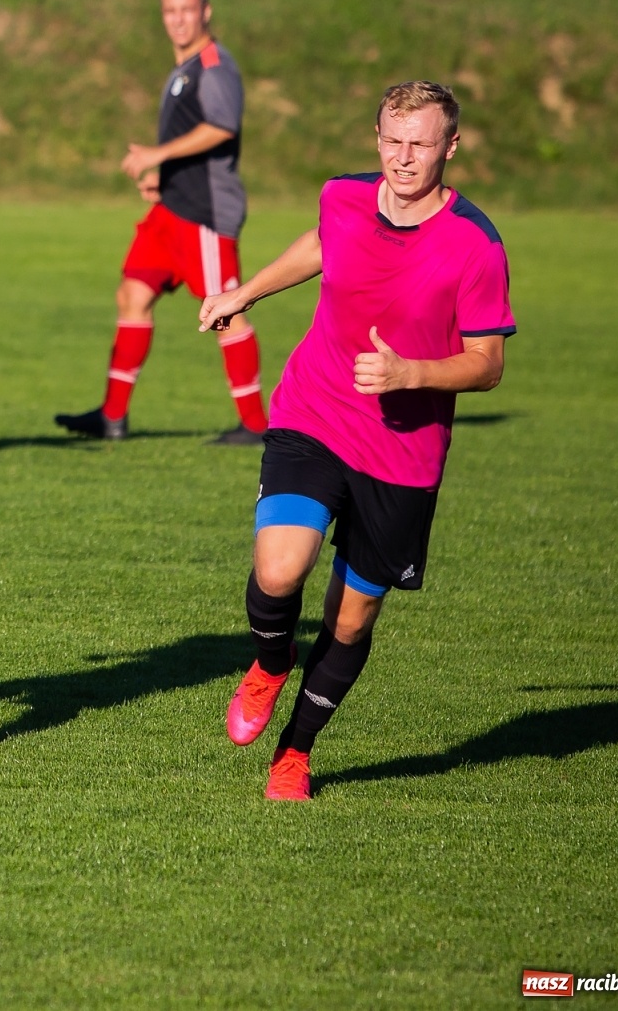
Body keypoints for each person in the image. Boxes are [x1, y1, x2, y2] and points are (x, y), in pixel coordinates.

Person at [198, 81, 514, 800]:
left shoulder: (477, 244)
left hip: (403, 454)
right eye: (393, 141)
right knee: (280, 569)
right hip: (314, 410)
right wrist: (244, 292)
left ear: (451, 146)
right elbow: (321, 244)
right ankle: (270, 662)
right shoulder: (342, 196)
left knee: (351, 618)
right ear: (377, 138)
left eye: (420, 144)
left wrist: (411, 372)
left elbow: (489, 363)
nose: (404, 158)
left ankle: (295, 751)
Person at [55, 0, 268, 445]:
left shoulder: (214, 65)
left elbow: (221, 126)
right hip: (171, 209)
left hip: (204, 214)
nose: (178, 19)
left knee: (226, 310)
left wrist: (158, 155)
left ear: (205, 11)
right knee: (132, 295)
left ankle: (256, 424)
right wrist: (164, 179)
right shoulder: (184, 69)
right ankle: (112, 417)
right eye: (170, 11)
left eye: (187, 9)